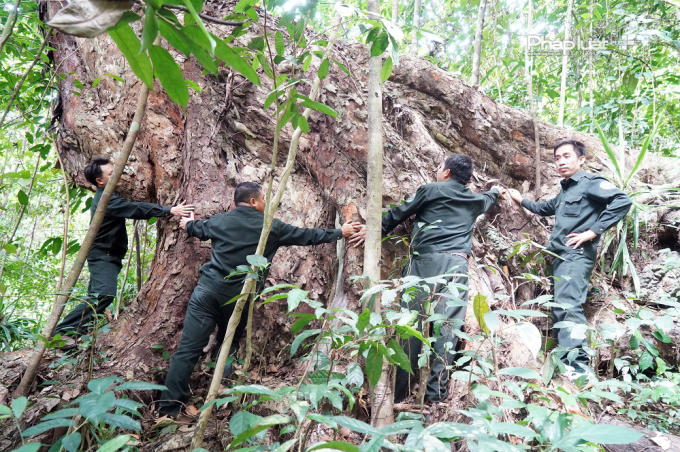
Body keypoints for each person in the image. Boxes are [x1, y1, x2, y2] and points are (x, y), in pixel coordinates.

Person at [158, 181, 360, 417]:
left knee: (187, 350)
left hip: (207, 291)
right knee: (229, 344)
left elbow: (196, 228)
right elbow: (307, 235)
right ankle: (219, 395)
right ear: (253, 201)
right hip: (239, 298)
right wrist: (340, 232)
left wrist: (187, 223)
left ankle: (169, 409)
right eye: (264, 199)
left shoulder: (220, 221)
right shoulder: (270, 226)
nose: (266, 203)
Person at [351, 154, 503, 403]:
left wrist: (374, 230)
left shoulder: (430, 190)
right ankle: (435, 397)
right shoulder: (474, 200)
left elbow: (399, 213)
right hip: (456, 266)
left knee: (410, 326)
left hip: (424, 264)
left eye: (439, 166)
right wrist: (496, 191)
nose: (436, 170)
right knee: (448, 328)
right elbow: (489, 198)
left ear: (447, 172)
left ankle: (398, 394)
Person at [507, 139, 631, 380]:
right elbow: (544, 208)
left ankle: (579, 369)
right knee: (560, 308)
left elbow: (622, 201)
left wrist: (592, 231)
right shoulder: (566, 190)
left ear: (581, 159)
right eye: (557, 158)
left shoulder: (590, 183)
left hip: (576, 256)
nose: (561, 162)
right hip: (559, 257)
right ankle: (565, 364)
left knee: (569, 307)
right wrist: (520, 200)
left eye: (566, 156)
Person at [53, 157, 194, 339]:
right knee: (104, 294)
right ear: (100, 181)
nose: (118, 175)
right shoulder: (106, 200)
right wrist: (169, 210)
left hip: (107, 255)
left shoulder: (109, 195)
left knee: (95, 297)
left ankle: (73, 335)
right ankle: (61, 333)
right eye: (112, 174)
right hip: (102, 255)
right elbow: (135, 209)